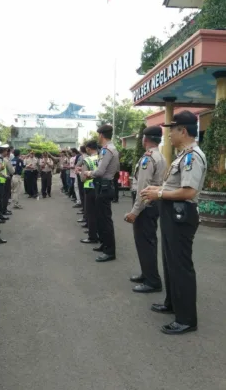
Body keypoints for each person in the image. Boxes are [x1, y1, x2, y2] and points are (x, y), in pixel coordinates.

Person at [141, 111, 207, 335]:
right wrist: (159, 190)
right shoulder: (182, 155)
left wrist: (159, 194)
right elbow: (175, 187)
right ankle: (172, 303)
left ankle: (187, 318)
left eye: (173, 130)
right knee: (170, 263)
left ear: (184, 131)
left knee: (180, 267)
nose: (168, 134)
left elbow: (188, 191)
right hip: (172, 214)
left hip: (181, 215)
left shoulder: (192, 157)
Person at [124, 126, 167, 293]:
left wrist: (134, 212)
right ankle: (147, 273)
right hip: (152, 203)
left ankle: (152, 281)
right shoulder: (160, 156)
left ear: (145, 139)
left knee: (145, 242)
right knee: (146, 242)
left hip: (146, 204)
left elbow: (143, 187)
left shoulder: (147, 158)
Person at [84, 125, 119, 262]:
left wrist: (88, 172)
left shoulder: (107, 150)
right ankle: (105, 245)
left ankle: (109, 251)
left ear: (101, 135)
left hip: (104, 187)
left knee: (105, 220)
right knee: (101, 218)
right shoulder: (111, 149)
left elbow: (99, 172)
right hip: (104, 186)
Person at [79, 140, 99, 244]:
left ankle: (92, 236)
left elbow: (83, 178)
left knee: (90, 213)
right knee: (99, 213)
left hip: (89, 188)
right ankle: (99, 233)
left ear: (88, 149)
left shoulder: (88, 160)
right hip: (100, 188)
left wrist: (80, 173)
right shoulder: (102, 158)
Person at [2, 146, 14, 216]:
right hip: (7, 178)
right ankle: (4, 209)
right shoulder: (6, 160)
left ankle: (3, 209)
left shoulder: (0, 159)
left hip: (2, 179)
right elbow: (12, 171)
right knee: (6, 195)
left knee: (3, 196)